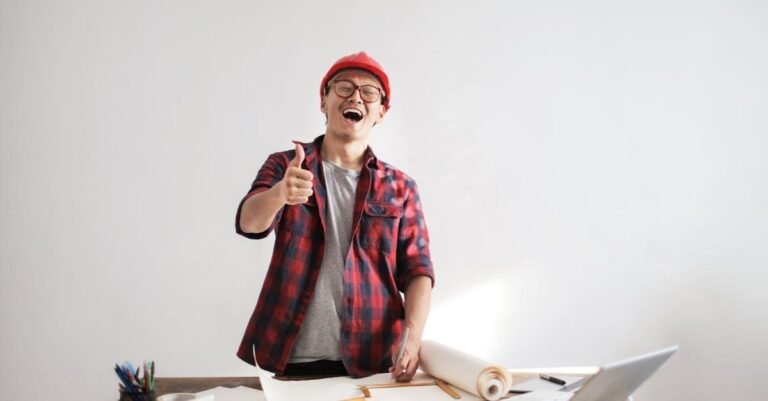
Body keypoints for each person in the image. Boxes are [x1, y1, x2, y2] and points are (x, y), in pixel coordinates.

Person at [235, 52, 434, 381]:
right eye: (343, 87)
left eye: (369, 92)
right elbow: (248, 223)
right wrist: (279, 195)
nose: (355, 96)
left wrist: (413, 340)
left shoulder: (401, 187)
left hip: (375, 363)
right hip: (296, 361)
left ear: (381, 111)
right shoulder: (288, 167)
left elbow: (418, 271)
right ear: (323, 101)